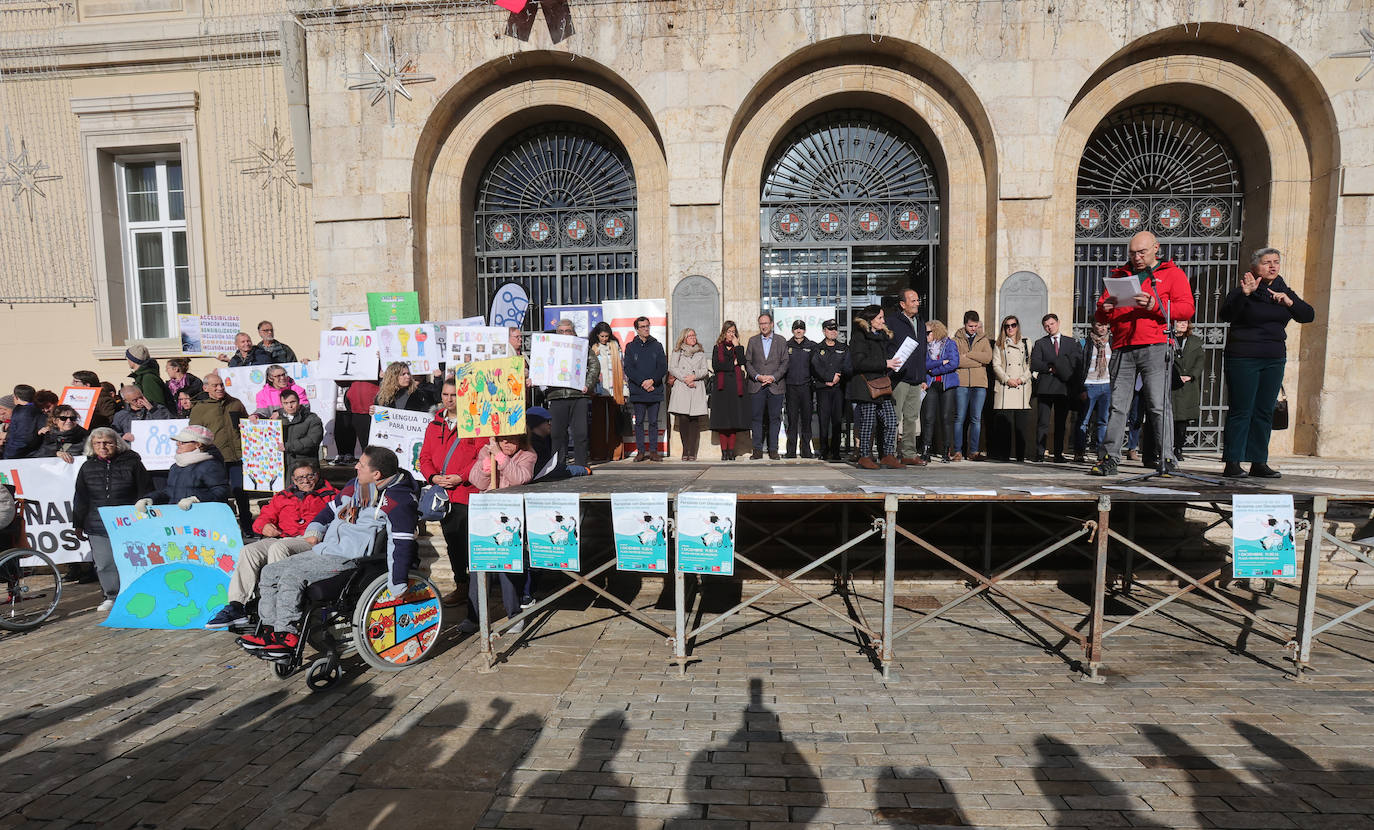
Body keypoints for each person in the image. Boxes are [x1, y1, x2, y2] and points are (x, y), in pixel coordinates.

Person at [238, 447, 419, 656]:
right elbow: (330, 509)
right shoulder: (358, 485)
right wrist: (315, 528)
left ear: (376, 474)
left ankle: (286, 636)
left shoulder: (399, 501)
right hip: (327, 548)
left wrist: (398, 584)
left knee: (292, 577)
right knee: (269, 572)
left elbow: (401, 544)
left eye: (361, 464)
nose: (356, 465)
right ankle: (270, 631)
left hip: (350, 558)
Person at [1090, 231, 1195, 476]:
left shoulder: (1172, 274)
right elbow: (1101, 313)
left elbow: (1187, 309)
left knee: (1158, 405)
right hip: (1123, 347)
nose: (1136, 257)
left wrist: (1155, 306)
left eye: (1142, 252)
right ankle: (1109, 458)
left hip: (1155, 346)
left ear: (1156, 248)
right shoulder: (1120, 275)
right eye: (1132, 253)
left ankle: (1166, 458)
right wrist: (1104, 310)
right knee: (1118, 406)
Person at [204, 459, 337, 629]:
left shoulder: (331, 495)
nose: (305, 481)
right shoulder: (283, 496)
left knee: (278, 547)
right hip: (281, 536)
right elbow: (262, 518)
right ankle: (237, 606)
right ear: (294, 481)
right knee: (249, 550)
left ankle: (279, 605)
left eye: (309, 476)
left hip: (309, 540)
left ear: (316, 475)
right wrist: (264, 526)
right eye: (300, 478)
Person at [1219, 246, 1314, 478]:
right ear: (1254, 267)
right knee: (1242, 410)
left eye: (1276, 262)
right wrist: (1245, 295)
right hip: (1243, 357)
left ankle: (1259, 462)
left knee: (1264, 410)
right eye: (1266, 262)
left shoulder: (1283, 291)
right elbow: (1227, 315)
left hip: (1273, 358)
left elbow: (1308, 315)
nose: (1272, 266)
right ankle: (1233, 462)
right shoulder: (1243, 290)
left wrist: (1290, 303)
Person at [71, 428, 152, 612]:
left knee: (134, 560)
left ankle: (137, 594)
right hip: (98, 523)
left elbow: (145, 491)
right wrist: (78, 523)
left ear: (116, 443)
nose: (103, 447)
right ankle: (111, 595)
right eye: (98, 443)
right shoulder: (87, 467)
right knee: (105, 562)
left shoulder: (133, 464)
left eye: (107, 442)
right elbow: (81, 497)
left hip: (130, 522)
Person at [465, 433, 538, 634]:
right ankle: (474, 616)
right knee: (478, 567)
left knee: (508, 568)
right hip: (486, 516)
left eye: (512, 439)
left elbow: (520, 478)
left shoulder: (528, 455)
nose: (506, 443)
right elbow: (477, 482)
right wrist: (486, 467)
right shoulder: (485, 451)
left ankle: (514, 615)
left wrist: (501, 458)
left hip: (510, 518)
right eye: (502, 439)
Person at [418, 378, 482, 606]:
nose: (449, 399)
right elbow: (424, 457)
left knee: (468, 543)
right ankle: (461, 585)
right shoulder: (434, 425)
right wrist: (433, 476)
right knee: (452, 543)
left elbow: (480, 457)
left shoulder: (475, 423)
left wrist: (461, 477)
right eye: (445, 395)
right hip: (443, 495)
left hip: (467, 491)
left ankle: (477, 587)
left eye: (454, 395)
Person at [188, 372, 251, 532]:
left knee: (241, 492)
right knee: (219, 495)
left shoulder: (235, 403)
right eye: (215, 385)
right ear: (206, 388)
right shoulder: (200, 409)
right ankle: (225, 528)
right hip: (214, 459)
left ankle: (248, 526)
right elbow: (194, 433)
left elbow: (247, 424)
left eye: (221, 384)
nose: (219, 388)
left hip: (237, 456)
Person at [848, 304, 903, 469]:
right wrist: (884, 363)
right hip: (866, 385)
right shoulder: (859, 336)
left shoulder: (881, 336)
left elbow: (884, 357)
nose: (883, 321)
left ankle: (887, 454)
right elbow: (858, 362)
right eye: (880, 317)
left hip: (881, 385)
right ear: (870, 319)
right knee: (868, 421)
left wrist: (892, 361)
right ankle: (864, 456)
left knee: (891, 420)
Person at [545, 319, 600, 468]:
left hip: (578, 396)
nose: (564, 333)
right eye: (561, 331)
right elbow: (541, 366)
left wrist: (588, 385)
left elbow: (594, 365)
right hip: (556, 396)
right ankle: (557, 467)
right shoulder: (548, 347)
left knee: (581, 434)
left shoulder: (581, 346)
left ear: (573, 332)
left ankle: (581, 466)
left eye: (567, 331)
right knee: (557, 434)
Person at [1030, 313, 1083, 463]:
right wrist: (1052, 367)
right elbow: (1035, 363)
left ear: (1058, 323)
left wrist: (1057, 365)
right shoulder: (1040, 343)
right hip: (1045, 387)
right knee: (1043, 422)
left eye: (1052, 324)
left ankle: (1058, 454)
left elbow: (1076, 364)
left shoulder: (1071, 342)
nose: (1050, 327)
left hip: (1063, 388)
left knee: (1061, 423)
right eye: (1046, 326)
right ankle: (1040, 452)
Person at [138, 424, 231, 507]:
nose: (177, 444)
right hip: (178, 518)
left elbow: (221, 492)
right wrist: (151, 498)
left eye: (183, 442)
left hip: (200, 519)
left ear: (198, 444)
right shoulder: (176, 466)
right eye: (178, 441)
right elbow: (169, 492)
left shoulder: (210, 465)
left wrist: (197, 499)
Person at [886, 288, 926, 465]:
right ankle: (890, 452)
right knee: (895, 417)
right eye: (913, 300)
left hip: (916, 378)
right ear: (903, 304)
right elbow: (888, 347)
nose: (917, 303)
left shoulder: (920, 321)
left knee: (912, 417)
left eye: (917, 300)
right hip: (900, 377)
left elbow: (923, 351)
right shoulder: (893, 322)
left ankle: (909, 453)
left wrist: (923, 376)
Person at [623, 316, 667, 462]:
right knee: (640, 422)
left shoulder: (657, 345)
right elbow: (628, 368)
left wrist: (652, 381)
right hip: (638, 390)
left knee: (654, 422)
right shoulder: (630, 346)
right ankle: (641, 451)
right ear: (637, 329)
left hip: (654, 389)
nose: (646, 329)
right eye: (642, 327)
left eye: (647, 326)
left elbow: (662, 367)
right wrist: (642, 382)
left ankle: (653, 451)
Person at [744, 312, 787, 460]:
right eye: (761, 323)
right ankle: (757, 450)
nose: (763, 326)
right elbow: (747, 362)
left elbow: (785, 362)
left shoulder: (781, 341)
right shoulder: (753, 341)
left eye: (766, 323)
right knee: (756, 419)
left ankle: (773, 449)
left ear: (772, 324)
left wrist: (773, 377)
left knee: (774, 418)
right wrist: (758, 376)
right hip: (757, 385)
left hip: (775, 385)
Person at [990, 315, 1032, 462]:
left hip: (1022, 386)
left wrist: (1021, 379)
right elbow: (996, 365)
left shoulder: (1026, 343)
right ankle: (1004, 455)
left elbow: (1030, 365)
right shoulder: (999, 344)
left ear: (1017, 326)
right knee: (1004, 425)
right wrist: (1007, 379)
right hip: (1005, 386)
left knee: (1021, 425)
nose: (1010, 328)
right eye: (1007, 326)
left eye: (1013, 325)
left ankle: (1021, 456)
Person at [952, 311, 992, 461]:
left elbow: (987, 358)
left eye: (975, 326)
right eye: (970, 326)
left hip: (979, 383)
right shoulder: (955, 340)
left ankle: (974, 451)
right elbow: (956, 361)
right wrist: (977, 360)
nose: (973, 329)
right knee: (959, 417)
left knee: (976, 418)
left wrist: (968, 355)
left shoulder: (984, 339)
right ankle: (957, 450)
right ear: (965, 324)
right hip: (961, 382)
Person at [253, 389, 323, 473]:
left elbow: (312, 441)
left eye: (292, 402)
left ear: (299, 401)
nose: (290, 406)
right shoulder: (277, 420)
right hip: (283, 468)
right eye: (286, 403)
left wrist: (288, 446)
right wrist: (246, 427)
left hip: (305, 467)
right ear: (281, 404)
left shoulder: (312, 419)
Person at [668, 327, 711, 461]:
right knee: (684, 420)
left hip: (696, 387)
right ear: (684, 338)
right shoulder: (677, 352)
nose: (693, 338)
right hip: (682, 387)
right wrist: (685, 378)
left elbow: (705, 370)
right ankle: (685, 450)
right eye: (690, 336)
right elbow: (672, 368)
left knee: (694, 421)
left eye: (694, 335)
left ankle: (692, 451)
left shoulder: (700, 353)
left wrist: (694, 376)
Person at [709, 321, 750, 461]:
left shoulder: (738, 347)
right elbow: (716, 366)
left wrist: (738, 347)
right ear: (724, 333)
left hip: (735, 388)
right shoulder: (717, 348)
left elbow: (743, 361)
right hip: (721, 388)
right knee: (722, 422)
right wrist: (733, 364)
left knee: (733, 421)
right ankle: (724, 451)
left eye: (733, 331)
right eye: (728, 331)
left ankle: (731, 451)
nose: (731, 334)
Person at [920, 320, 960, 463]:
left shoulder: (949, 344)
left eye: (928, 333)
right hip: (931, 385)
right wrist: (939, 363)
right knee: (929, 418)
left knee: (946, 418)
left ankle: (946, 451)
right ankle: (926, 450)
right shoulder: (924, 347)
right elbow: (924, 365)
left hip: (947, 384)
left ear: (936, 331)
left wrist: (933, 370)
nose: (925, 335)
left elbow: (954, 363)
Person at [810, 319, 849, 462]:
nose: (833, 332)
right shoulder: (817, 348)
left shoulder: (843, 347)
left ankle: (836, 451)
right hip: (823, 389)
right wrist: (827, 377)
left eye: (835, 329)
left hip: (838, 389)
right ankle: (824, 450)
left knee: (837, 421)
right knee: (823, 420)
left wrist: (838, 375)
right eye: (830, 329)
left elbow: (847, 364)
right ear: (824, 331)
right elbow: (815, 365)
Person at [588, 322, 625, 463]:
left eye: (606, 336)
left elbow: (622, 369)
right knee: (598, 424)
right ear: (597, 335)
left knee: (614, 423)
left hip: (614, 390)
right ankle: (599, 453)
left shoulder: (615, 347)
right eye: (602, 336)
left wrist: (624, 390)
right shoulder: (592, 349)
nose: (604, 339)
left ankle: (615, 453)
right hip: (598, 391)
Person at [1075, 321, 1113, 463]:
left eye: (1104, 325)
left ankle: (1101, 453)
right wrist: (1081, 388)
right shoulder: (1085, 343)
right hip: (1089, 384)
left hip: (1106, 385)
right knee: (1084, 420)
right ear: (1093, 326)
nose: (1103, 327)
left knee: (1103, 421)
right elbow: (1079, 367)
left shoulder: (1112, 342)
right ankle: (1079, 451)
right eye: (1099, 325)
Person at [1170, 319, 1205, 464]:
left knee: (1182, 420)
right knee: (1169, 418)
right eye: (1179, 322)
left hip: (1187, 386)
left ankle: (1178, 448)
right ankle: (1165, 448)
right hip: (1171, 384)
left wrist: (1191, 375)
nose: (1183, 324)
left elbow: (1200, 361)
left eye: (1185, 322)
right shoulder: (1167, 339)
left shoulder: (1195, 342)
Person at [781, 320, 816, 458]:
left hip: (806, 388)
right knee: (792, 420)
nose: (799, 331)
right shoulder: (786, 345)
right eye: (796, 328)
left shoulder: (812, 346)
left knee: (807, 420)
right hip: (791, 388)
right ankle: (791, 451)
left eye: (801, 328)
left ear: (805, 330)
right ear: (792, 330)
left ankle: (806, 451)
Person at [120, 345, 171, 410]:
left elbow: (156, 405)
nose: (127, 360)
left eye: (127, 357)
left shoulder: (148, 378)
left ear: (133, 359)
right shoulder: (141, 377)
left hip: (151, 419)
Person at [3, 385, 43, 459]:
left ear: (16, 397)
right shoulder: (36, 410)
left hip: (18, 455)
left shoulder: (24, 413)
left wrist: (9, 455)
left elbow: (23, 437)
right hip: (28, 454)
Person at [345, 377, 380, 452]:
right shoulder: (355, 365)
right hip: (357, 411)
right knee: (364, 444)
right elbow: (341, 383)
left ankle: (378, 462)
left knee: (380, 440)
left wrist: (382, 376)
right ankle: (367, 462)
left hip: (378, 411)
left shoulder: (379, 366)